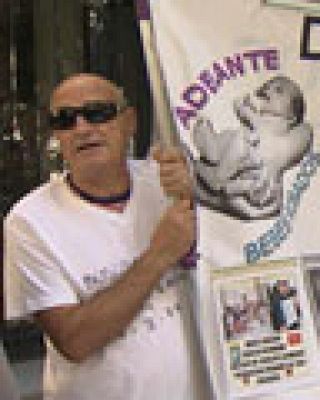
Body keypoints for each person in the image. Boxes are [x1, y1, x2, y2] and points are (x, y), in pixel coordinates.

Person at [3, 73, 204, 400]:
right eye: (66, 119)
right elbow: (75, 340)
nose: (82, 128)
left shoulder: (169, 184)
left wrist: (203, 198)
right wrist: (159, 256)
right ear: (57, 135)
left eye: (98, 113)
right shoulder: (29, 221)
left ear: (130, 122)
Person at [192, 75, 313, 220]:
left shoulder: (280, 124)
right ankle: (213, 151)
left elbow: (240, 107)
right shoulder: (258, 120)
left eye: (279, 90)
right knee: (230, 137)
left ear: (292, 117)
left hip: (256, 179)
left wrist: (245, 105)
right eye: (267, 87)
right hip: (243, 166)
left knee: (240, 140)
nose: (269, 90)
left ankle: (218, 177)